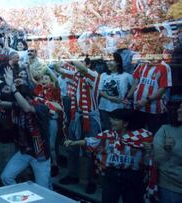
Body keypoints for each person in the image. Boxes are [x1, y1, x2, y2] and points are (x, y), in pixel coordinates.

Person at [64, 109, 153, 203]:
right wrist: (73, 142)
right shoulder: (107, 135)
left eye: (116, 119)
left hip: (132, 177)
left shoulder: (141, 137)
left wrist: (150, 148)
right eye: (112, 118)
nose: (111, 121)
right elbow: (91, 141)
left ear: (125, 123)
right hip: (111, 176)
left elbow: (154, 154)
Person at [56, 60, 101, 194]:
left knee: (91, 148)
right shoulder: (76, 76)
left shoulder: (94, 76)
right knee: (71, 146)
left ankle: (91, 181)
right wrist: (61, 60)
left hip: (91, 117)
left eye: (83, 63)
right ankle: (72, 175)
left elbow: (81, 68)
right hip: (77, 115)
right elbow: (59, 69)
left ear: (89, 66)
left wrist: (70, 58)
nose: (79, 66)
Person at [127, 61, 172, 134]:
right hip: (138, 106)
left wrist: (146, 100)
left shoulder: (164, 67)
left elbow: (163, 88)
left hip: (154, 109)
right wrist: (128, 96)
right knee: (136, 133)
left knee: (154, 133)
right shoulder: (141, 64)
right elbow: (136, 82)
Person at [153, 99, 182, 203]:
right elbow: (156, 159)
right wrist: (167, 149)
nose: (178, 110)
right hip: (172, 188)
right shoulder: (165, 130)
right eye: (179, 107)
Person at [99, 53, 133, 130]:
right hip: (104, 106)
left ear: (118, 62)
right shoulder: (103, 75)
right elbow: (100, 90)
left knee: (118, 129)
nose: (108, 63)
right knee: (107, 128)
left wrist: (128, 96)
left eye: (111, 60)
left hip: (118, 108)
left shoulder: (126, 76)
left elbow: (136, 85)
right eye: (107, 61)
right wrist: (110, 98)